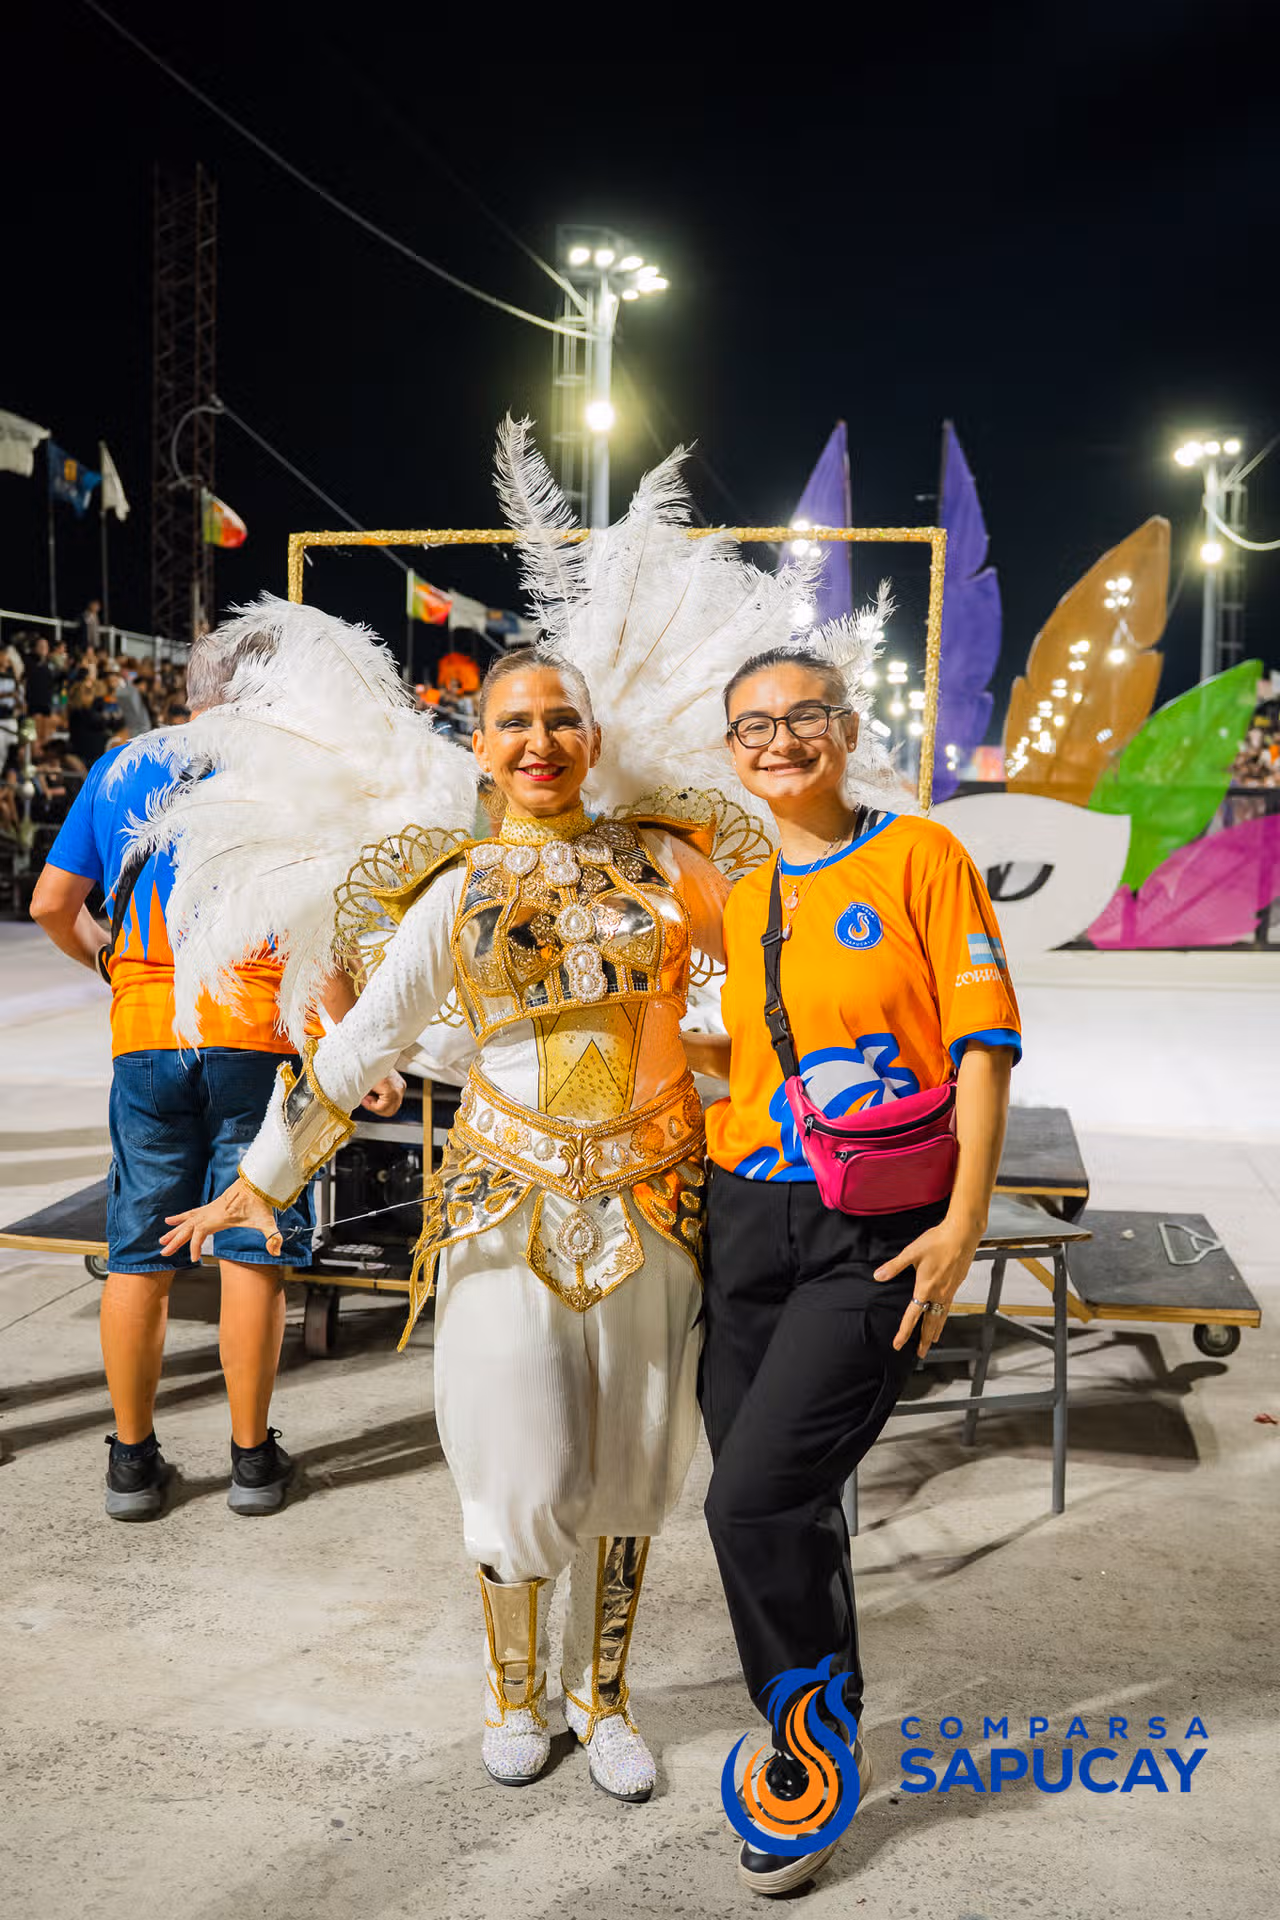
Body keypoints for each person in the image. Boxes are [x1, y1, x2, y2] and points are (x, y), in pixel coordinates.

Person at [147, 413, 823, 1804]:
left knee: (639, 1470)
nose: (538, 741)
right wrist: (258, 1186)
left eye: (560, 719)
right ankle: (522, 1698)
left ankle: (609, 1696)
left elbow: (778, 964)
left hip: (656, 1203)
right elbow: (356, 1051)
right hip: (509, 1210)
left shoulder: (665, 868)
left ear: (593, 736)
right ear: (481, 741)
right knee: (515, 1466)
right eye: (513, 722)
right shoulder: (454, 893)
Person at [693, 645, 1021, 1898]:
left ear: (844, 726)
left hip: (871, 1233)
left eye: (801, 717)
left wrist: (965, 1223)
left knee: (749, 1505)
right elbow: (747, 1060)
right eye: (751, 726)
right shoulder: (735, 884)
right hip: (741, 1222)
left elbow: (982, 1049)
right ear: (727, 752)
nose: (776, 740)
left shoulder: (918, 856)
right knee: (785, 1496)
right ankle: (806, 1737)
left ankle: (811, 1761)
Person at [29, 625, 404, 1523]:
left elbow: (53, 902)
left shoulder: (123, 765)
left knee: (138, 1250)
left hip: (150, 1036)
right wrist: (348, 1045)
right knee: (252, 1239)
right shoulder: (291, 772)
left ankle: (131, 1461)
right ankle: (249, 1460)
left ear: (189, 690)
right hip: (261, 1034)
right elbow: (318, 933)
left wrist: (119, 971)